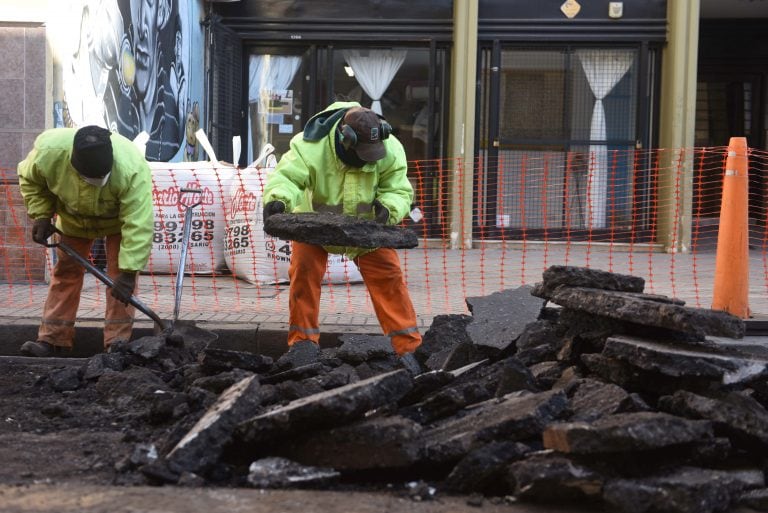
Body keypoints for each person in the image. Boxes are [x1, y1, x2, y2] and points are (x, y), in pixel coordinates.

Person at [262, 101, 422, 369]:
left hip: (366, 228)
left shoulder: (390, 148)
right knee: (304, 273)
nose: (366, 159)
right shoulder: (310, 145)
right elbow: (287, 178)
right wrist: (278, 201)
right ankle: (303, 345)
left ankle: (407, 349)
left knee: (389, 277)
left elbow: (398, 188)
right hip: (313, 225)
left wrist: (389, 209)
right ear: (343, 139)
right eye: (362, 153)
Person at [17, 125, 154, 357]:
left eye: (103, 177)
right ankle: (53, 340)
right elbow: (30, 180)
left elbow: (139, 223)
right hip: (74, 218)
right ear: (73, 165)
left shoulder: (131, 167)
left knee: (119, 280)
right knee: (66, 273)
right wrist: (41, 214)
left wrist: (129, 272)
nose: (98, 181)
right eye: (92, 178)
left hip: (117, 221)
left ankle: (116, 346)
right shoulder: (49, 153)